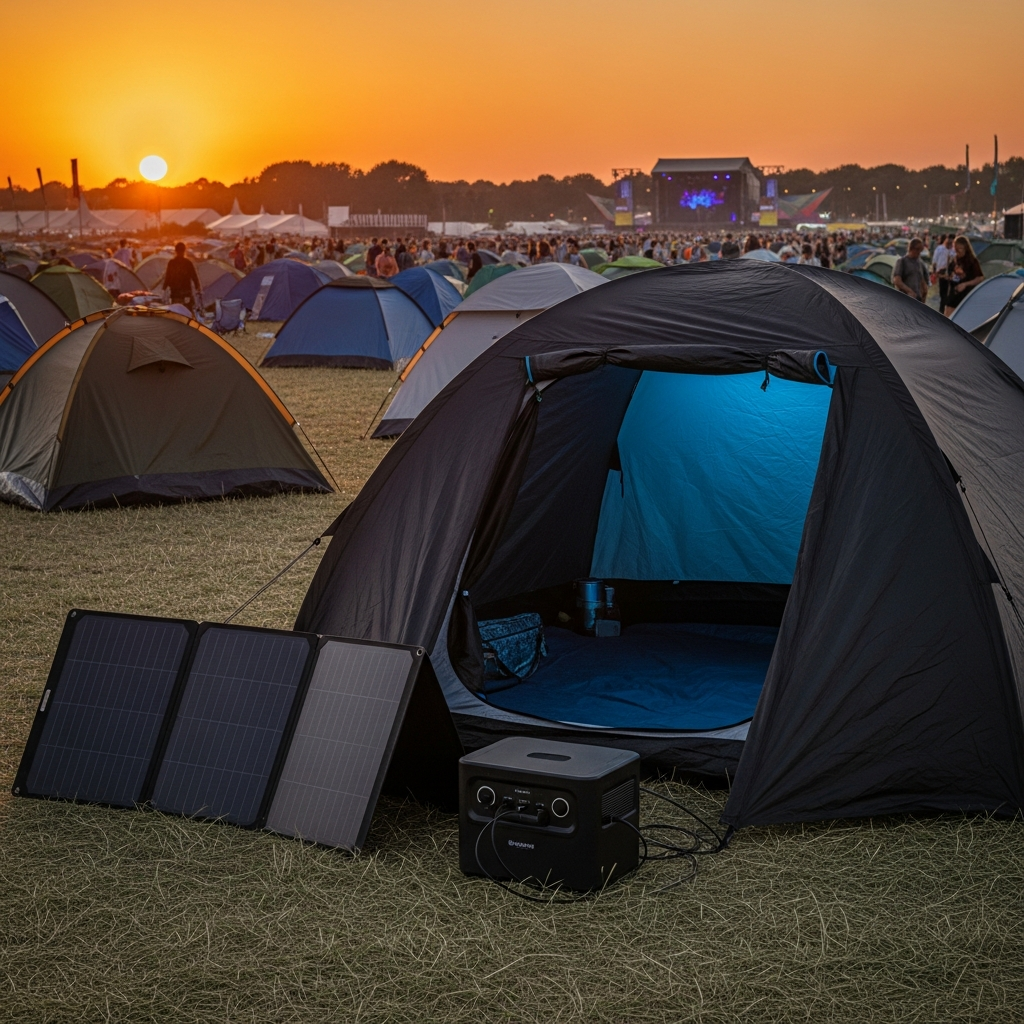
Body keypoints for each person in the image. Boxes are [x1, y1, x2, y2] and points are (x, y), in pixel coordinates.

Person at [944, 236, 984, 316]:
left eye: (960, 248)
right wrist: (949, 276)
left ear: (966, 248)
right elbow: (950, 274)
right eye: (956, 248)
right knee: (947, 318)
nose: (958, 251)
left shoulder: (972, 261)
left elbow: (980, 277)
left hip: (965, 296)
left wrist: (965, 284)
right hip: (953, 293)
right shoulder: (954, 259)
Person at [163, 241, 200, 312]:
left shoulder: (171, 263)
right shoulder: (188, 263)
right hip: (186, 293)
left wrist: (164, 289)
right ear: (184, 251)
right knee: (187, 313)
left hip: (175, 294)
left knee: (176, 313)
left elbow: (167, 277)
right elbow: (194, 277)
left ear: (175, 251)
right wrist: (197, 288)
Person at [892, 237, 929, 303]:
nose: (919, 252)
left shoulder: (920, 263)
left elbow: (921, 279)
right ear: (911, 248)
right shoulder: (902, 261)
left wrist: (924, 294)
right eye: (917, 249)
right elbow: (897, 280)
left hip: (917, 300)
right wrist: (909, 291)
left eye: (920, 250)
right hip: (904, 299)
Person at [932, 234, 952, 309]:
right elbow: (934, 261)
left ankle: (942, 309)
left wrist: (934, 271)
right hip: (943, 272)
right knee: (944, 293)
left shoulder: (941, 249)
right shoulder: (943, 249)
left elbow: (934, 261)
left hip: (943, 272)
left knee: (943, 293)